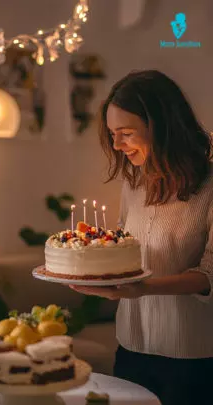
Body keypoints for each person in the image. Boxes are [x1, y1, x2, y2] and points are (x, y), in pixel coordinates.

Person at [69, 70, 213, 405]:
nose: (117, 145)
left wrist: (143, 289)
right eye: (112, 134)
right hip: (131, 348)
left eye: (126, 133)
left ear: (162, 128)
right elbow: (124, 248)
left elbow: (209, 275)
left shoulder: (209, 186)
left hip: (192, 356)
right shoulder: (134, 184)